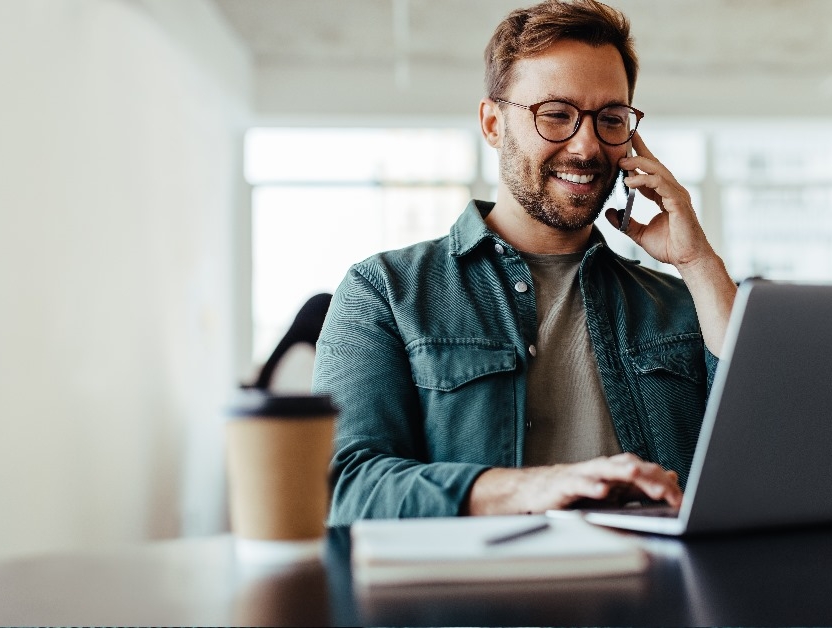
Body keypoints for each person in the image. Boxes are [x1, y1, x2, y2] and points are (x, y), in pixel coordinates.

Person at [312, 0, 737, 525]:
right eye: (556, 114)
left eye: (610, 119)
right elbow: (341, 486)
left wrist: (697, 262)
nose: (587, 146)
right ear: (493, 123)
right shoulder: (384, 291)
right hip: (479, 601)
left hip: (658, 599)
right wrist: (536, 486)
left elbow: (772, 453)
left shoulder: (679, 304)